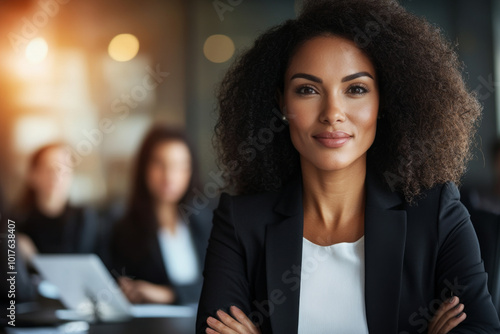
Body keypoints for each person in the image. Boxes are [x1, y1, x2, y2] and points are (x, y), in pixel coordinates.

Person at [196, 0, 500, 333]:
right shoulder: (240, 223)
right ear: (282, 103)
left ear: (383, 102)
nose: (333, 112)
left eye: (356, 89)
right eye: (307, 90)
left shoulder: (437, 214)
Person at [109, 125, 211, 305]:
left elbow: (218, 282)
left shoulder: (207, 222)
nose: (169, 176)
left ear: (191, 171)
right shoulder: (124, 229)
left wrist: (167, 294)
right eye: (159, 164)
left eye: (180, 166)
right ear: (144, 168)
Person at [16, 143, 98, 259]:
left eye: (64, 170)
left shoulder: (84, 218)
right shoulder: (16, 221)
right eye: (49, 169)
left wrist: (34, 257)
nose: (56, 176)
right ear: (32, 175)